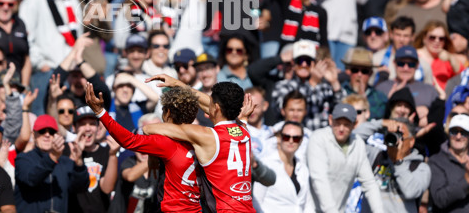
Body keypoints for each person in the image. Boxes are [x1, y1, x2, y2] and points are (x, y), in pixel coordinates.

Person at [84, 81, 203, 212]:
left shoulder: (166, 143)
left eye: (163, 110)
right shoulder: (208, 138)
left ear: (167, 113)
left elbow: (128, 140)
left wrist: (100, 112)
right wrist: (153, 153)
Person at [143, 75, 255, 213]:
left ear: (216, 107)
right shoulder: (244, 130)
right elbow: (214, 106)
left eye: (211, 103)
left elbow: (149, 129)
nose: (206, 106)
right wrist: (178, 83)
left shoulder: (207, 136)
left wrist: (154, 155)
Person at [19, 0, 82, 114]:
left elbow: (78, 38)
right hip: (46, 70)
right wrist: (39, 63)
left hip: (68, 71)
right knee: (42, 116)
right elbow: (26, 37)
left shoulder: (72, 1)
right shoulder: (34, 1)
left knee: (65, 117)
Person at [307, 103, 384, 213]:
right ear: (330, 120)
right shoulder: (318, 138)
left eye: (346, 124)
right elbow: (319, 179)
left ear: (354, 124)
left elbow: (369, 183)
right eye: (337, 123)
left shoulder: (358, 143)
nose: (341, 129)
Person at [14, 114, 89, 212]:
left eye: (52, 132)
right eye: (42, 131)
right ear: (34, 135)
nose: (47, 135)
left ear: (57, 135)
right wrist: (52, 157)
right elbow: (31, 179)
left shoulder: (66, 162)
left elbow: (81, 188)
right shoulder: (23, 159)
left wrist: (79, 162)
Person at [354, 117, 430, 212]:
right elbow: (351, 142)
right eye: (392, 135)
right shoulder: (376, 156)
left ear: (411, 141)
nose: (396, 139)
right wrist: (381, 123)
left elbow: (410, 192)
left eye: (400, 135)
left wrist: (398, 162)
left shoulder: (420, 167)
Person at [271, 40, 342, 131]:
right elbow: (282, 109)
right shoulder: (283, 86)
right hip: (294, 138)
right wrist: (312, 83)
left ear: (313, 63)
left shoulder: (324, 87)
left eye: (308, 61)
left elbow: (340, 110)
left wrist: (334, 82)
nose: (304, 65)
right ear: (293, 63)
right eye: (300, 61)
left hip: (321, 141)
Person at [253, 121, 312, 213]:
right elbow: (256, 201)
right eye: (286, 137)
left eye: (296, 138)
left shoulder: (303, 168)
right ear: (279, 138)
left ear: (301, 141)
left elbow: (308, 204)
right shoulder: (267, 164)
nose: (291, 141)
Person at [71, 106, 120, 213]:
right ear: (74, 128)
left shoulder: (107, 151)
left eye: (92, 124)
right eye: (82, 124)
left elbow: (107, 188)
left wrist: (113, 155)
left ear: (98, 127)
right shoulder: (67, 151)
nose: (88, 128)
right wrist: (76, 155)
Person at [0, 0, 31, 86]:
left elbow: (26, 59)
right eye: (1, 3)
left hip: (16, 84)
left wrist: (24, 87)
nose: (6, 8)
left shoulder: (20, 24)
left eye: (10, 4)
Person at [428, 113, 469, 212]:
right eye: (454, 132)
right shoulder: (436, 161)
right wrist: (467, 180)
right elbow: (440, 199)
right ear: (448, 133)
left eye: (463, 133)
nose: (458, 137)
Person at [375, 46, 440, 109]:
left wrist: (427, 114)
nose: (406, 68)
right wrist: (389, 100)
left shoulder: (429, 91)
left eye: (411, 64)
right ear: (394, 63)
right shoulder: (381, 88)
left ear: (417, 65)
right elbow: (374, 114)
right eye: (401, 64)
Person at [341, 47, 388, 119]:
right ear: (349, 71)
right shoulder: (340, 91)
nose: (359, 75)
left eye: (364, 71)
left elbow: (376, 122)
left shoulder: (379, 97)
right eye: (355, 70)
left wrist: (363, 102)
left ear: (371, 73)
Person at [414, 20, 461, 91]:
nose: (437, 41)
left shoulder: (447, 60)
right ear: (424, 38)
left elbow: (462, 76)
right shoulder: (413, 56)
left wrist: (451, 58)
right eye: (432, 37)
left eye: (441, 39)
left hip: (441, 99)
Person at [373, 16, 416, 80]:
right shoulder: (376, 60)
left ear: (413, 37)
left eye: (406, 36)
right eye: (398, 35)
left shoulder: (421, 63)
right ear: (391, 35)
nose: (401, 40)